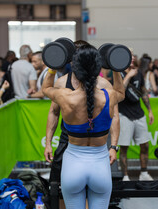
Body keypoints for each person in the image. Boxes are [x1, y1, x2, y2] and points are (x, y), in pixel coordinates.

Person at [42, 44, 124, 209]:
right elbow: (120, 92)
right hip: (100, 167)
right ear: (98, 70)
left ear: (74, 69)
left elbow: (45, 88)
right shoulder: (109, 96)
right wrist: (116, 68)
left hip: (72, 167)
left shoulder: (65, 96)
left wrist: (53, 66)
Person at [44, 40, 120, 183]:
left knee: (91, 186)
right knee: (58, 184)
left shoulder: (104, 84)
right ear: (71, 58)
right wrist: (48, 142)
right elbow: (53, 113)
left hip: (96, 144)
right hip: (68, 138)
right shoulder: (61, 83)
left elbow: (115, 116)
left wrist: (114, 146)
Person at [118, 51, 154, 181]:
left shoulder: (139, 73)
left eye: (133, 55)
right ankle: (125, 176)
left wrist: (149, 110)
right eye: (129, 55)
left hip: (139, 114)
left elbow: (143, 92)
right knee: (124, 148)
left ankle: (144, 173)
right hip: (124, 115)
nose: (132, 58)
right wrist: (128, 77)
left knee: (145, 145)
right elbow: (119, 92)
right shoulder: (118, 73)